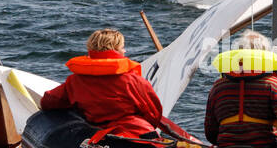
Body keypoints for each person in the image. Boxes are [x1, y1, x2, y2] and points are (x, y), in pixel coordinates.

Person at [40, 29, 177, 138]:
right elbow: (153, 112)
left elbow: (48, 101)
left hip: (96, 133)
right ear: (115, 50)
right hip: (136, 133)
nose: (125, 51)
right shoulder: (132, 80)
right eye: (122, 47)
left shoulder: (75, 81)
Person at [204, 30, 277, 148]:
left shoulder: (218, 87)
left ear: (238, 55)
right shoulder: (273, 85)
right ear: (266, 55)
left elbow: (210, 133)